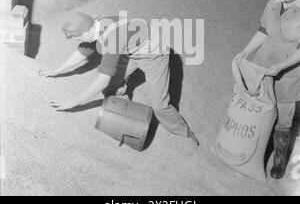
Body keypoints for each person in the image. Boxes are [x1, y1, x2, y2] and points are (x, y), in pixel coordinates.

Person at [39, 12, 199, 148]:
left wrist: (74, 101)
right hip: (132, 51)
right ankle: (124, 117)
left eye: (79, 36)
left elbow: (102, 79)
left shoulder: (112, 39)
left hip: (154, 56)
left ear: (88, 30)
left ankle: (185, 135)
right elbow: (80, 54)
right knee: (113, 86)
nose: (78, 40)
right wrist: (55, 71)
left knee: (160, 106)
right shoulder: (96, 26)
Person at [234, 0, 300, 179]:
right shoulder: (272, 3)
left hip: (288, 70)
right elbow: (263, 31)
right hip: (264, 63)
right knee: (257, 108)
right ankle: (250, 150)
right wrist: (245, 51)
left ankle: (279, 161)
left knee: (283, 118)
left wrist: (281, 67)